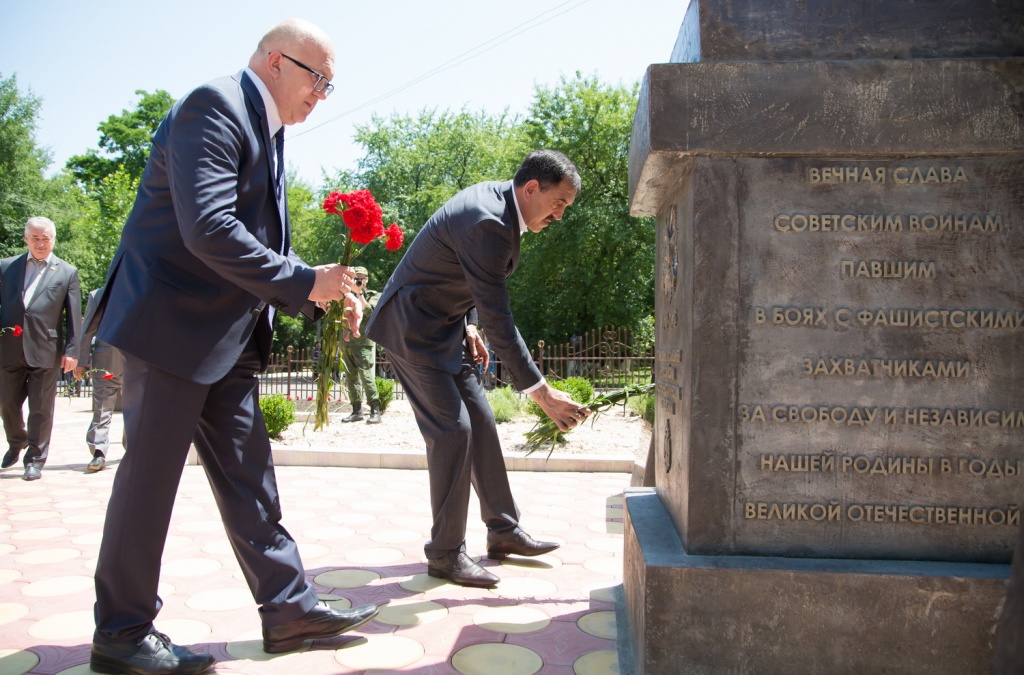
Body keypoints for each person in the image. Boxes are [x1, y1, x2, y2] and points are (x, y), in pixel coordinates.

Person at [85, 19, 377, 675]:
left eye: (329, 85)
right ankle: (122, 632)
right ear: (276, 61)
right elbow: (209, 228)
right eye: (317, 79)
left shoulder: (267, 132)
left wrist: (319, 292)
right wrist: (302, 281)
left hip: (225, 337)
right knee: (149, 483)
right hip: (169, 328)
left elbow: (256, 243)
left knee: (250, 476)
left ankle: (288, 609)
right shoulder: (214, 106)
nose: (322, 95)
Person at [364, 149, 592, 588]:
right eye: (559, 203)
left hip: (448, 327)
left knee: (482, 424)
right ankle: (445, 553)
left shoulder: (499, 206)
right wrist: (541, 392)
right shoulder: (488, 221)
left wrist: (468, 323)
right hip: (413, 330)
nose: (560, 216)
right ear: (532, 188)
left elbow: (461, 273)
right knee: (453, 432)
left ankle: (503, 530)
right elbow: (499, 319)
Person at [0, 217, 81, 481]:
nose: (40, 243)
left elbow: (73, 315)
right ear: (26, 238)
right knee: (6, 403)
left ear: (53, 240)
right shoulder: (6, 267)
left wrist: (72, 350)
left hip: (46, 349)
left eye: (45, 238)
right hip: (9, 347)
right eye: (35, 238)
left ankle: (35, 459)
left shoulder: (67, 272)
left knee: (41, 408)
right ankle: (17, 441)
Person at [73, 286, 126, 473]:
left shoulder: (143, 289)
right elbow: (88, 329)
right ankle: (98, 452)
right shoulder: (98, 295)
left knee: (135, 409)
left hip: (136, 362)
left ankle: (132, 449)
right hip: (105, 360)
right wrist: (81, 361)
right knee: (102, 408)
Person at [339, 266, 383, 424]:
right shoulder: (344, 294)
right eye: (356, 277)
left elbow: (370, 312)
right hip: (346, 342)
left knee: (366, 376)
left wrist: (359, 294)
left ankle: (375, 410)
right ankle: (356, 410)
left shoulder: (373, 295)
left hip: (363, 342)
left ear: (367, 280)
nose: (358, 280)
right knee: (350, 378)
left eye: (361, 278)